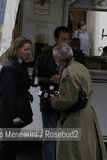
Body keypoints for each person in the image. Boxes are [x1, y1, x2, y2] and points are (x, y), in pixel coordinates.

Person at [49, 43, 107, 160]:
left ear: (58, 58)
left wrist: (54, 100)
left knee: (73, 152)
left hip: (75, 119)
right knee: (87, 150)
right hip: (88, 115)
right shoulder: (81, 67)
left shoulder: (68, 73)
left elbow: (67, 101)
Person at [34, 26, 70, 160]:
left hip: (68, 102)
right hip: (48, 102)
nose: (66, 42)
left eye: (67, 39)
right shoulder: (44, 57)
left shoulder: (75, 57)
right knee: (50, 137)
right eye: (63, 39)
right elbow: (35, 79)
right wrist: (49, 80)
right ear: (56, 40)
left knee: (66, 138)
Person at [0, 36, 33, 160]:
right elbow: (7, 94)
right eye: (25, 49)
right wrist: (13, 115)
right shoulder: (10, 67)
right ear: (17, 49)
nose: (28, 52)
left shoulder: (20, 65)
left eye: (29, 49)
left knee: (11, 147)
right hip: (10, 115)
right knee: (7, 148)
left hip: (16, 110)